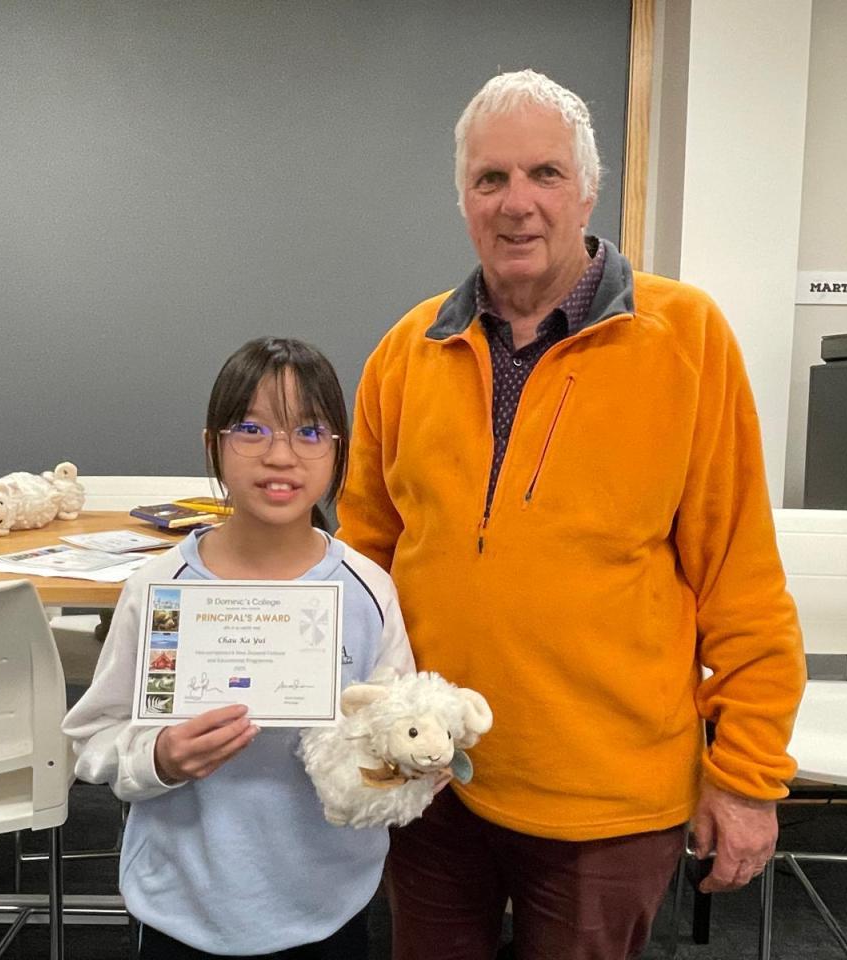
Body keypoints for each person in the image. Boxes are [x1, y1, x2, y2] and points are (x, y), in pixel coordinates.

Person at [336, 69, 806, 960]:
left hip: (606, 800)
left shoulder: (685, 338)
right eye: (490, 178)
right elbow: (364, 561)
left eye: (545, 174)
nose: (517, 203)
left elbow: (741, 579)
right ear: (463, 199)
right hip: (430, 780)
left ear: (588, 190)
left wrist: (747, 777)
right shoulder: (408, 351)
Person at [63, 336, 415, 959]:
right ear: (214, 446)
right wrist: (160, 758)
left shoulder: (366, 591)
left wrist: (402, 766)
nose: (281, 456)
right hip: (182, 902)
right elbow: (92, 740)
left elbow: (398, 733)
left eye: (310, 432)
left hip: (327, 903)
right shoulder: (161, 589)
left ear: (339, 451)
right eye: (251, 430)